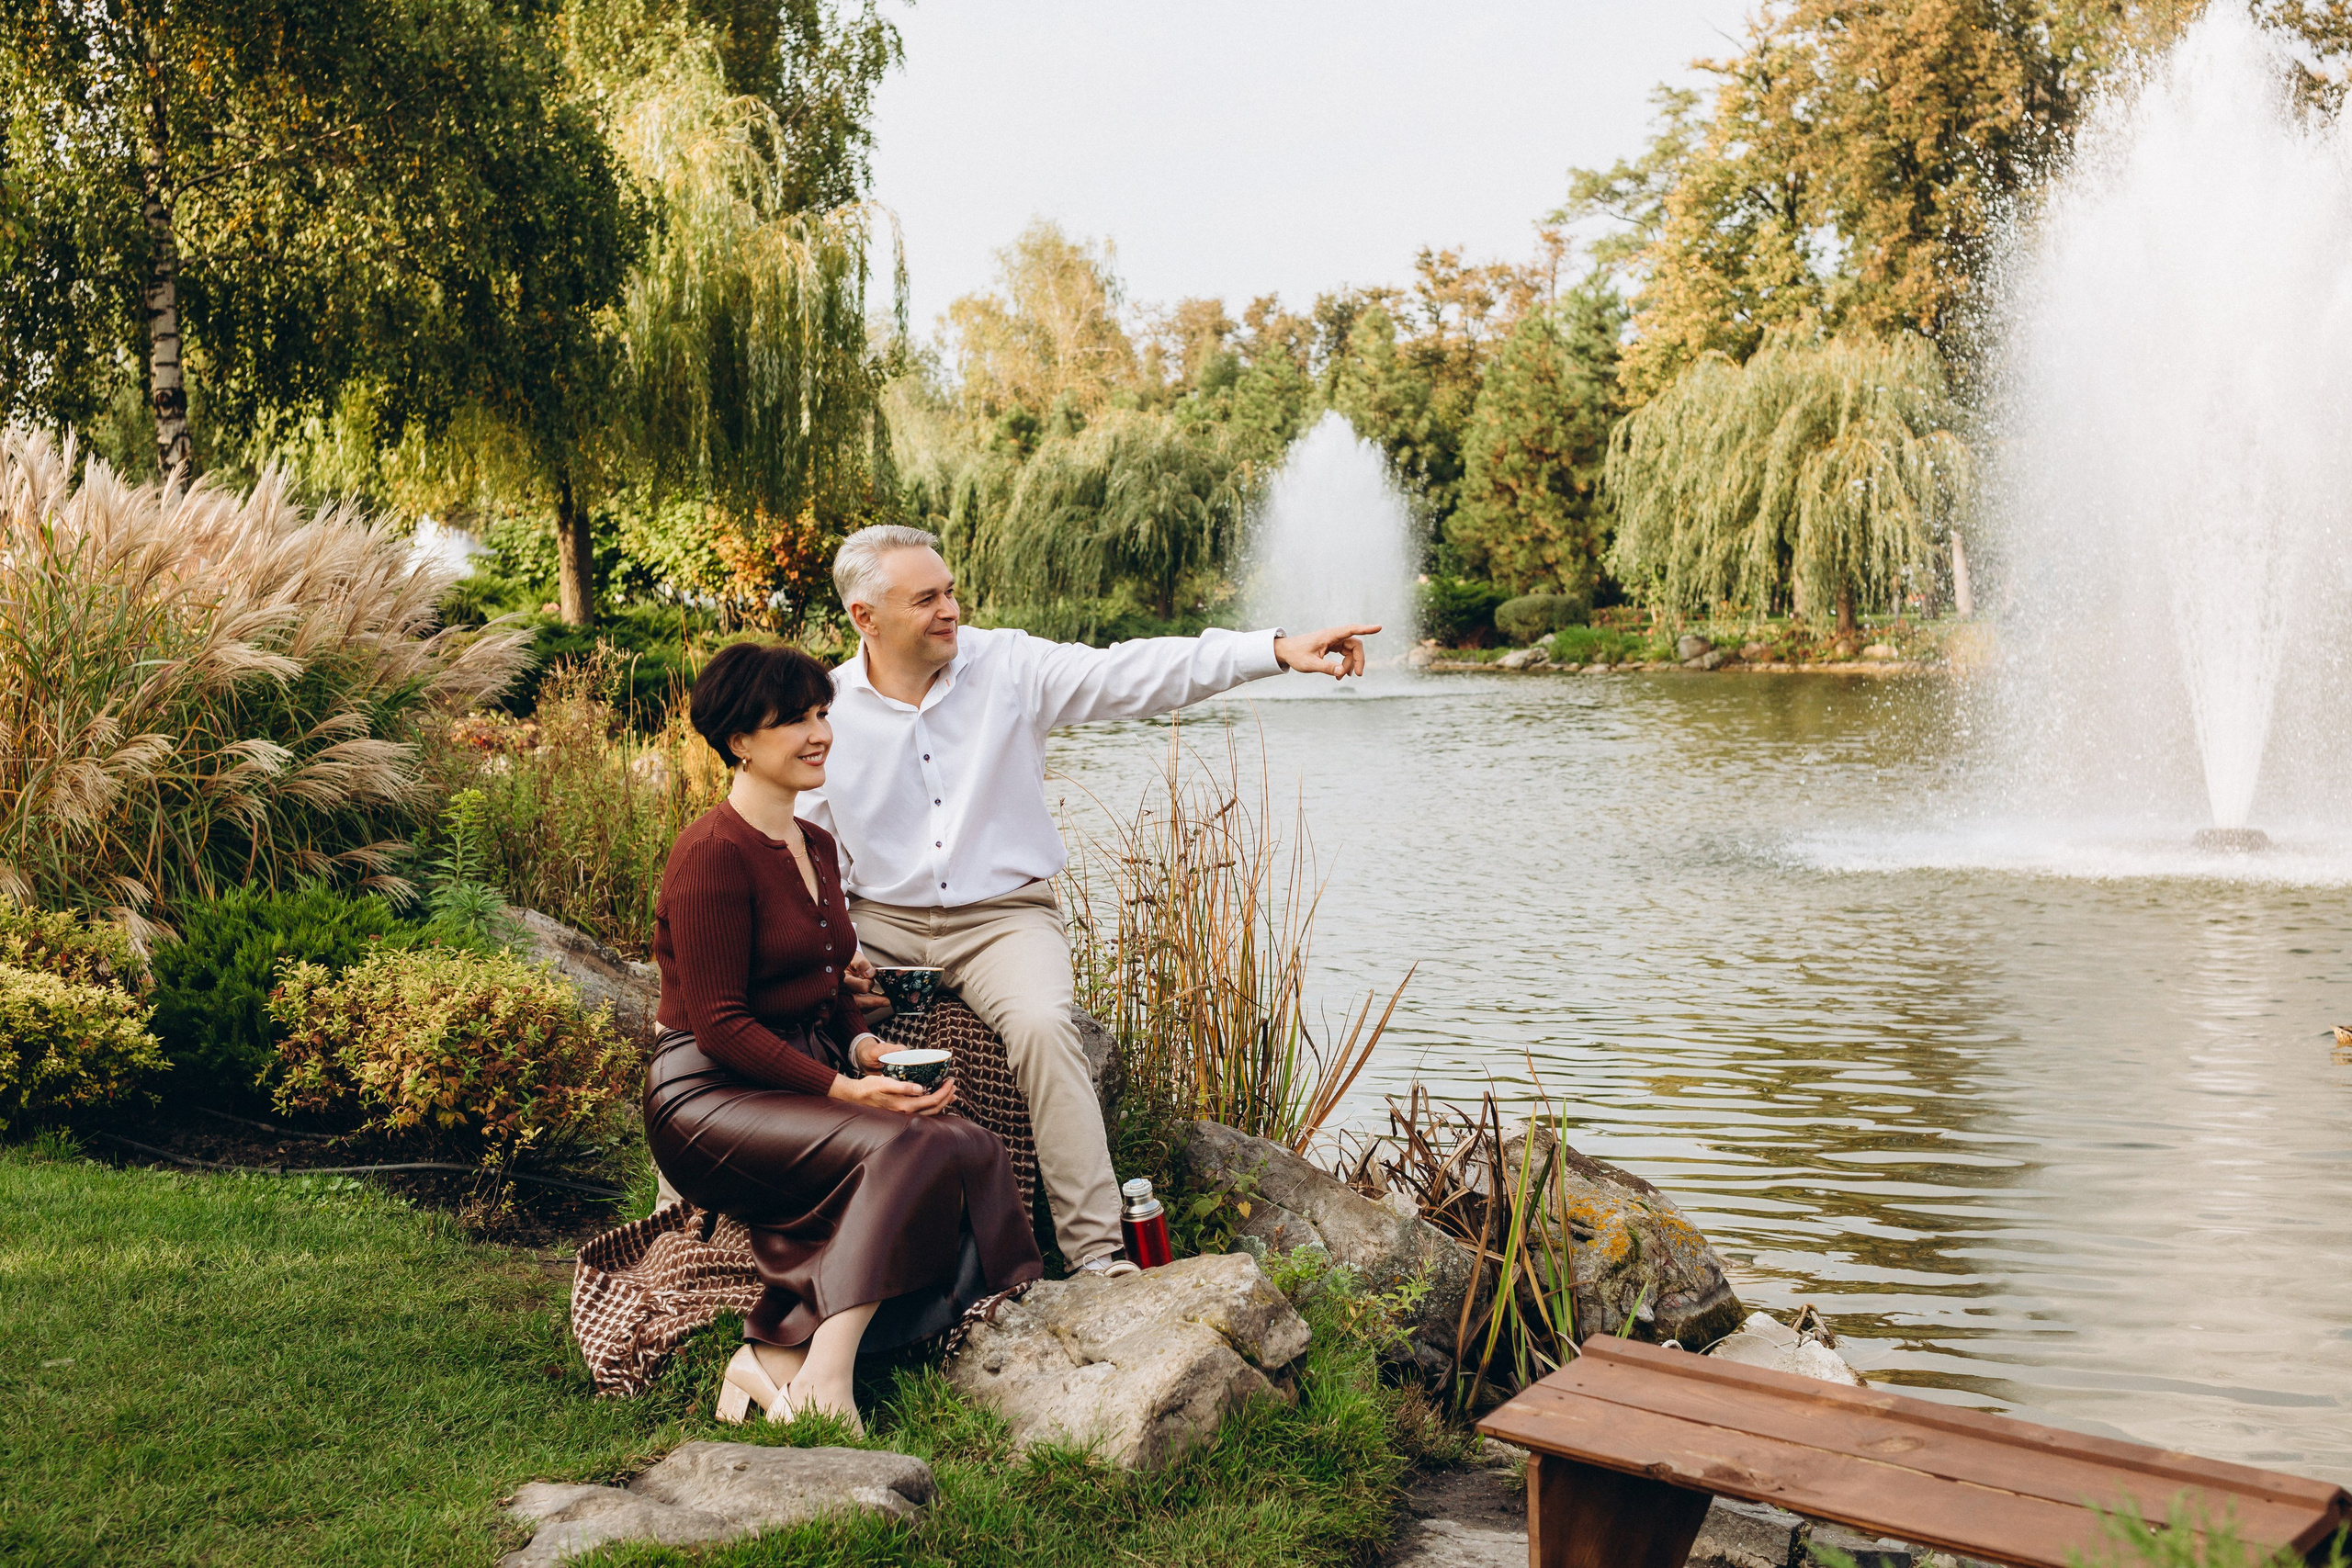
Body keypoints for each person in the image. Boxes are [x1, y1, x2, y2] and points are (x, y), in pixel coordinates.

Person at [799, 524, 1378, 1276]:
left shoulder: (1007, 664)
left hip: (1003, 918)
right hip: (879, 923)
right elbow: (807, 851)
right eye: (927, 598)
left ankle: (1098, 1254)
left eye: (950, 590)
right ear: (863, 617)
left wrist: (1271, 649)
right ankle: (811, 1240)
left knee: (1044, 1026)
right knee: (797, 1012)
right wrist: (838, 954)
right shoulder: (827, 712)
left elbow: (1133, 670)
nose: (950, 608)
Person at [642, 641, 1042, 1430]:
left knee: (965, 1144)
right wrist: (844, 1088)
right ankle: (825, 1376)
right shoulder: (710, 855)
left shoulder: (817, 844)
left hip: (796, 1071)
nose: (819, 731)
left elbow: (830, 985)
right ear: (739, 742)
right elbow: (720, 1024)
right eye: (794, 719)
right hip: (706, 1096)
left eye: (823, 712)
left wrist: (865, 1047)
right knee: (903, 1144)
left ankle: (778, 1359)